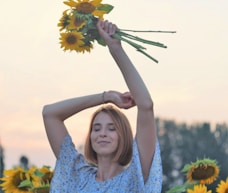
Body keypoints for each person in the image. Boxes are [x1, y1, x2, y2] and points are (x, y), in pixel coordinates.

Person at [42, 20, 162, 193]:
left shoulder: (135, 178)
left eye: (111, 128)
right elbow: (50, 114)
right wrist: (105, 97)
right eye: (96, 128)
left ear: (123, 136)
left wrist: (115, 49)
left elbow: (146, 105)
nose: (102, 134)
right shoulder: (77, 175)